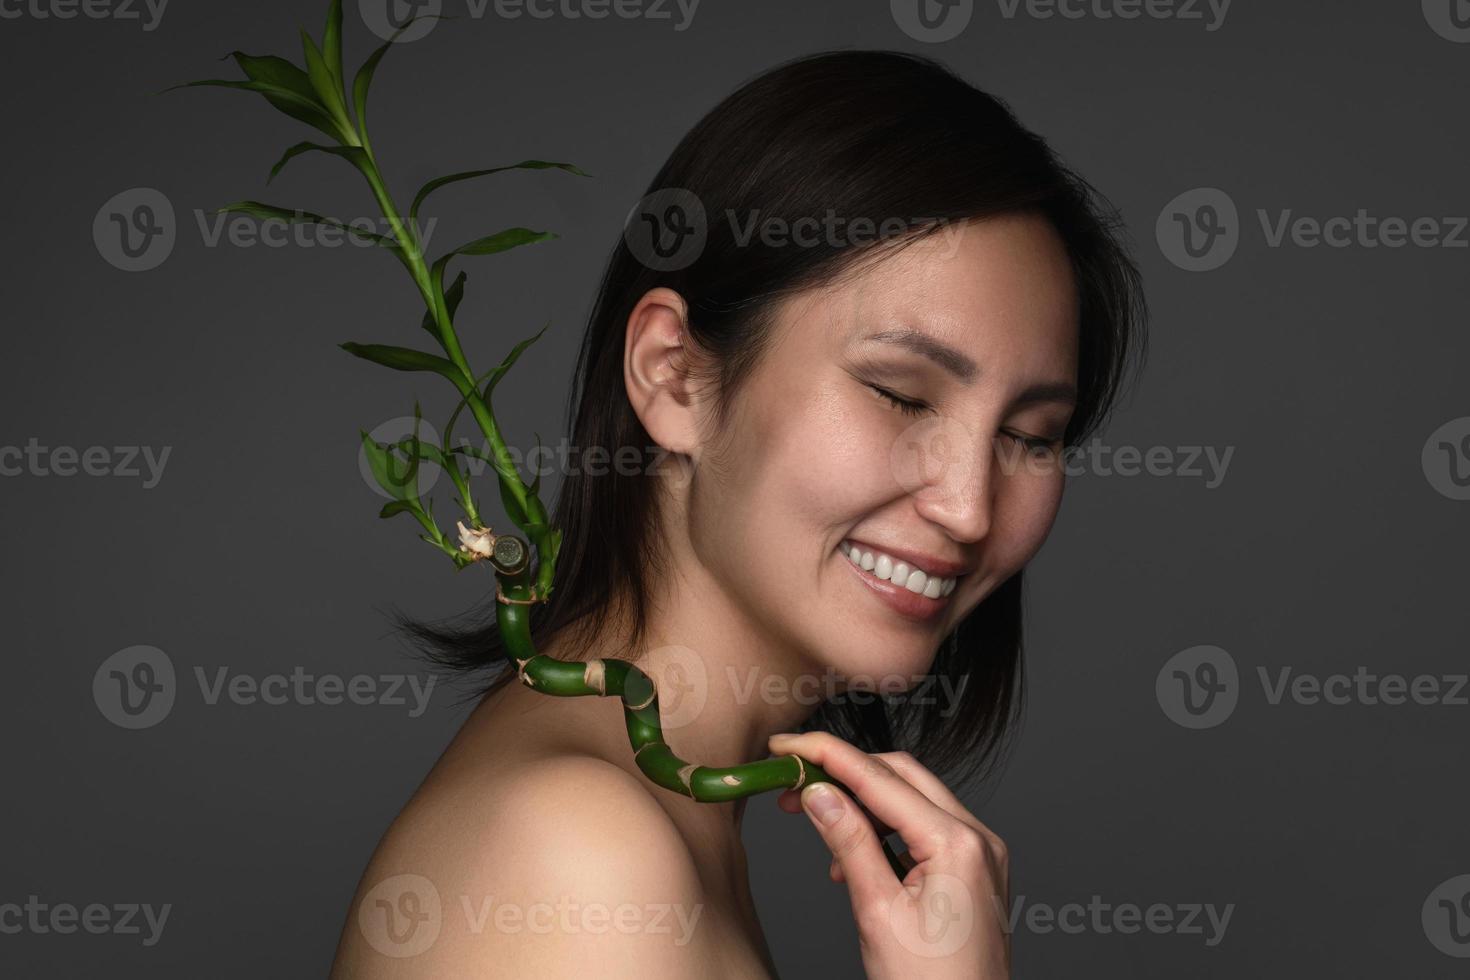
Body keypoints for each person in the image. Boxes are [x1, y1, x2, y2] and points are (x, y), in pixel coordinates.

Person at [328, 48, 1146, 979]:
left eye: (1032, 436)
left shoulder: (654, 819)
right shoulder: (582, 860)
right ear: (674, 376)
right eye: (900, 395)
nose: (967, 507)